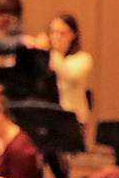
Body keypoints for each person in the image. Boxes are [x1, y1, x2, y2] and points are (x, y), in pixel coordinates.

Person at [24, 12, 94, 145]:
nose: (55, 37)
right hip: (46, 116)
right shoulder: (48, 59)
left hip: (71, 119)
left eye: (61, 33)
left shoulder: (83, 59)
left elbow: (68, 74)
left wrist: (50, 52)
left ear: (73, 35)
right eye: (52, 32)